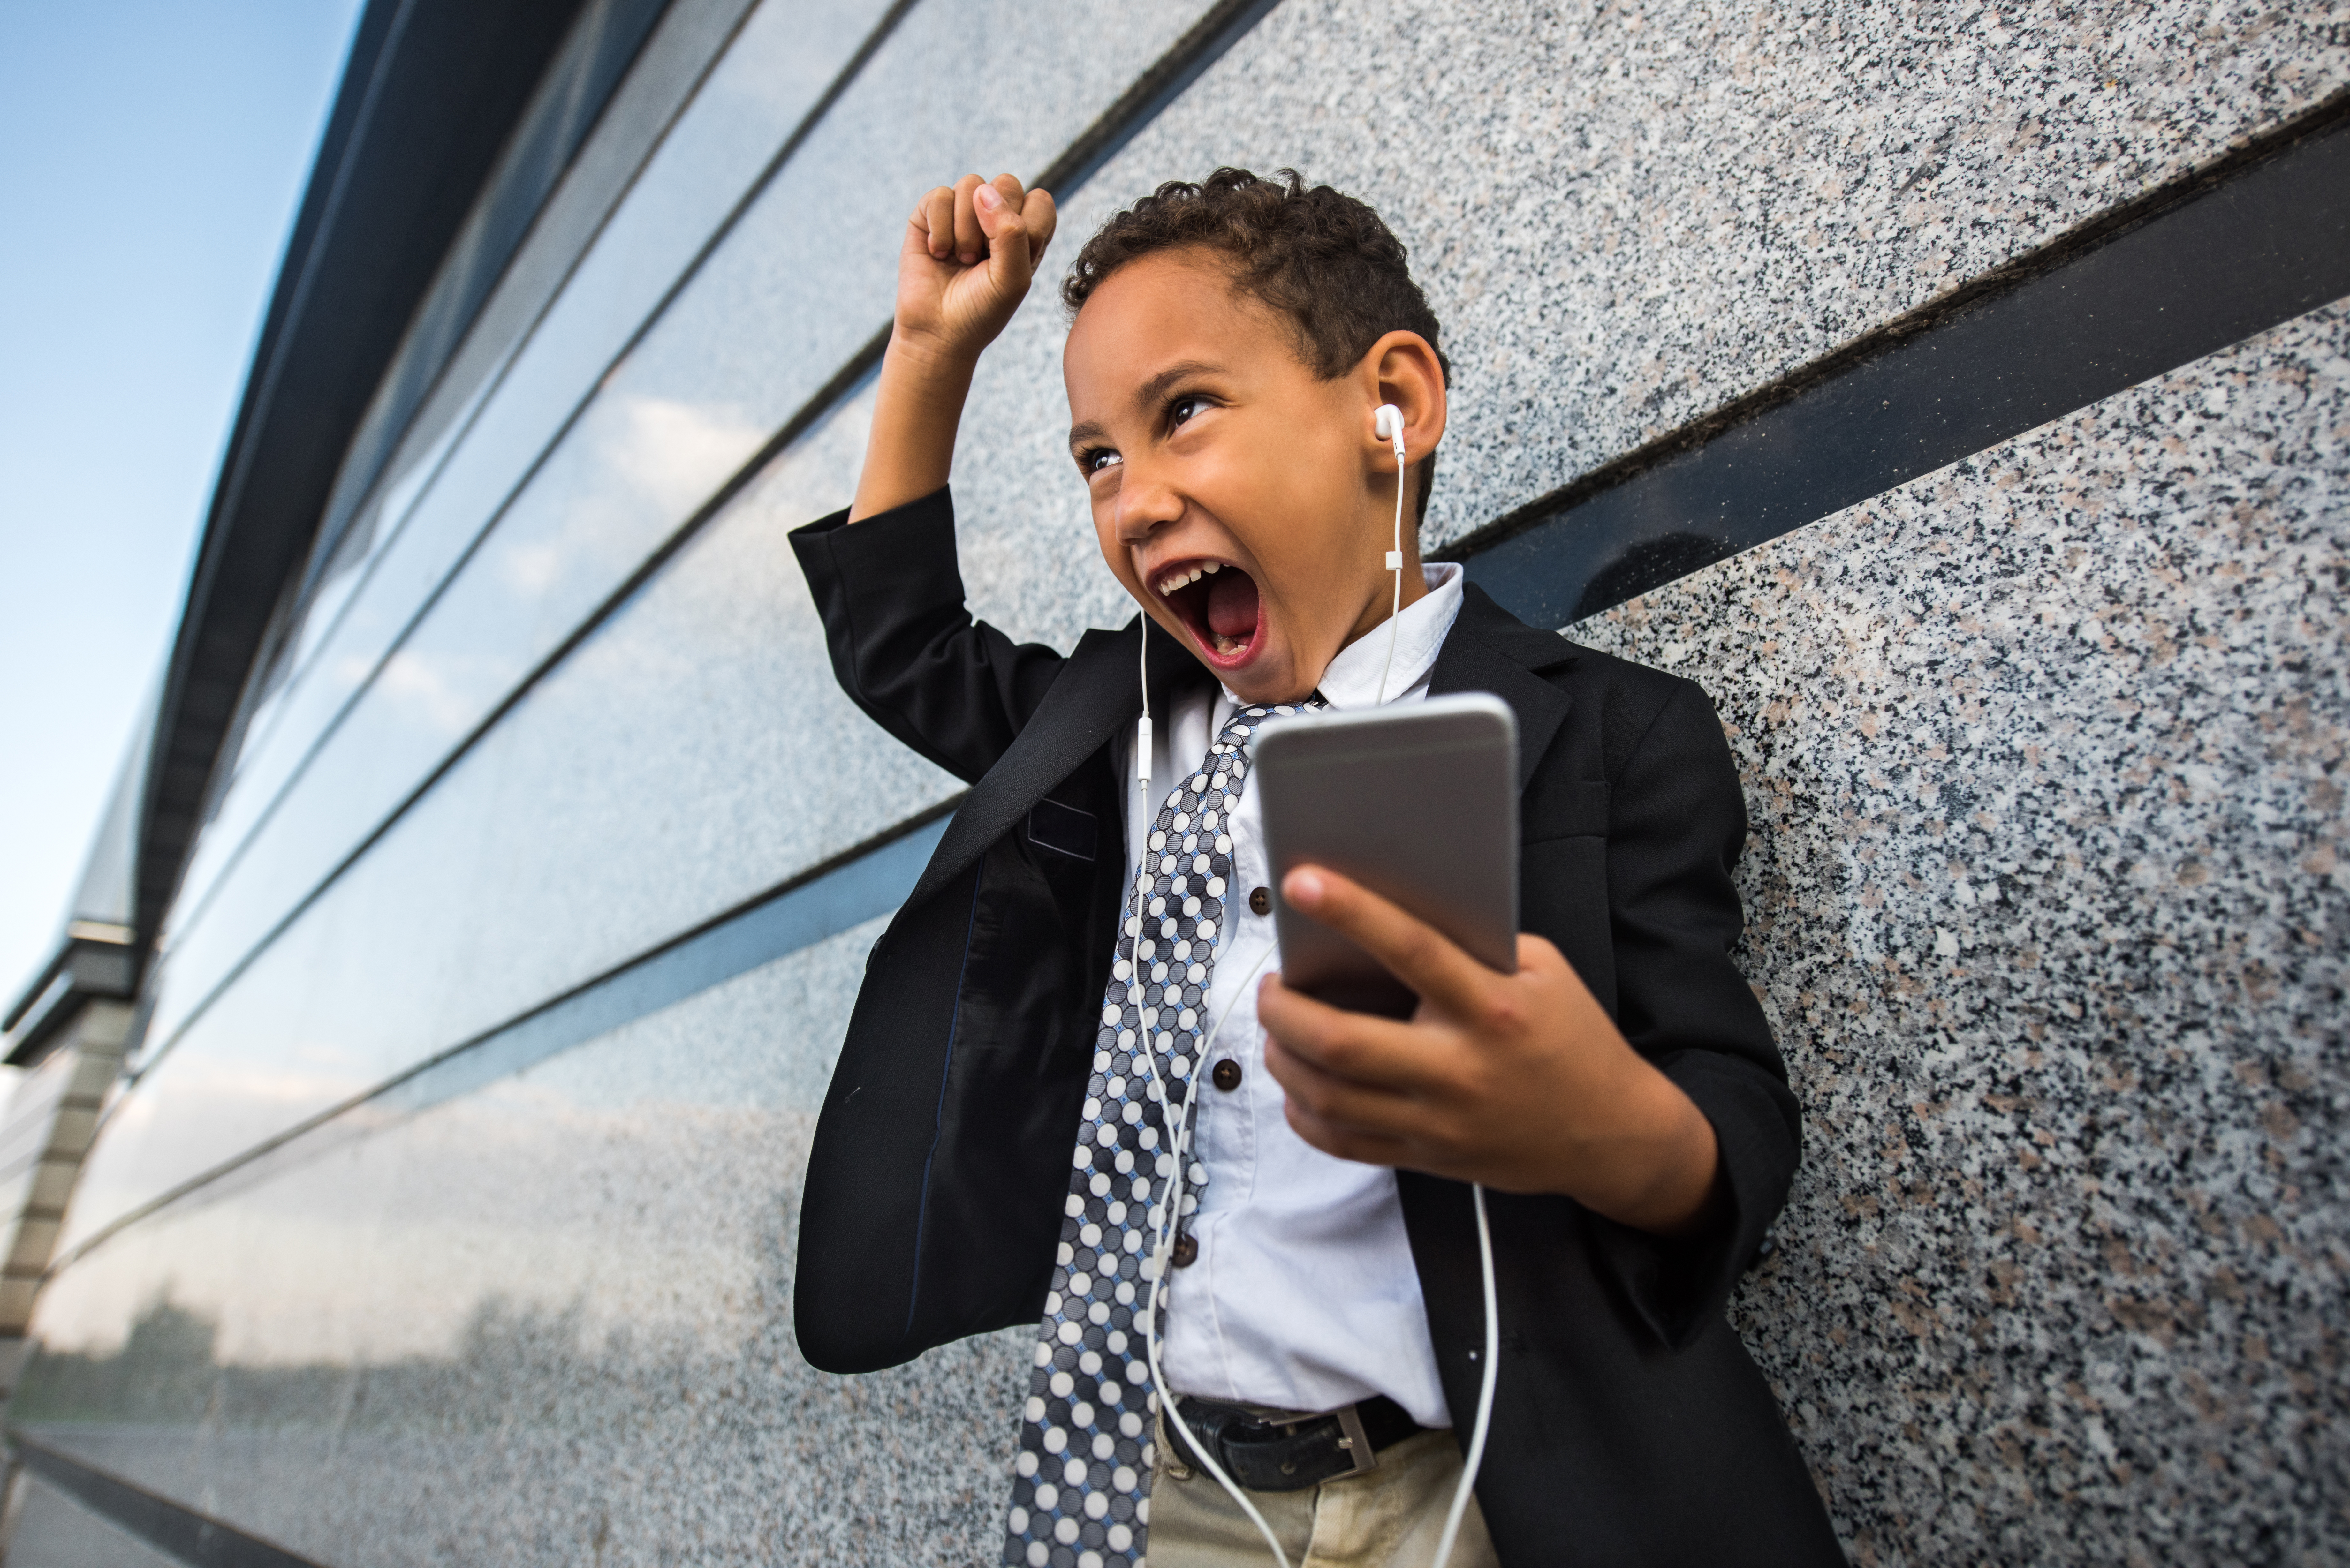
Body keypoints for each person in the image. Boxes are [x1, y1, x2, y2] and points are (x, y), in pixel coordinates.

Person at [788, 166, 1845, 1567]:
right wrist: (931, 348)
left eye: (1182, 415)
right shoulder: (1117, 728)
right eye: (1097, 458)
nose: (1135, 499)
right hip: (1167, 1487)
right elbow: (901, 650)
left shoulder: (1609, 735)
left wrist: (1597, 1122)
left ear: (1390, 405)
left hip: (1468, 1496)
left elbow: (1737, 1118)